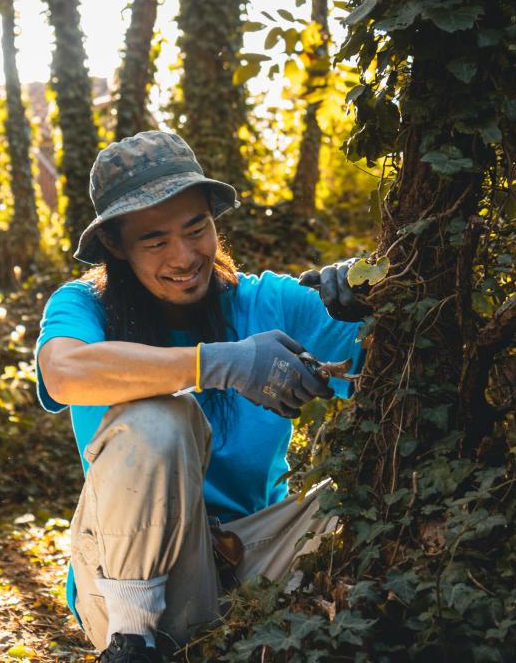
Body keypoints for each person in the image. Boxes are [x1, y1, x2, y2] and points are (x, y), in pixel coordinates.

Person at [34, 131, 368, 662]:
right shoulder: (86, 306)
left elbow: (388, 352)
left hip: (256, 561)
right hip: (127, 576)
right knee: (158, 416)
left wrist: (369, 293)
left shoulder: (266, 302)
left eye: (197, 229)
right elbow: (64, 373)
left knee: (360, 499)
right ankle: (132, 643)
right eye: (155, 241)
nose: (185, 256)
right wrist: (218, 364)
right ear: (116, 246)